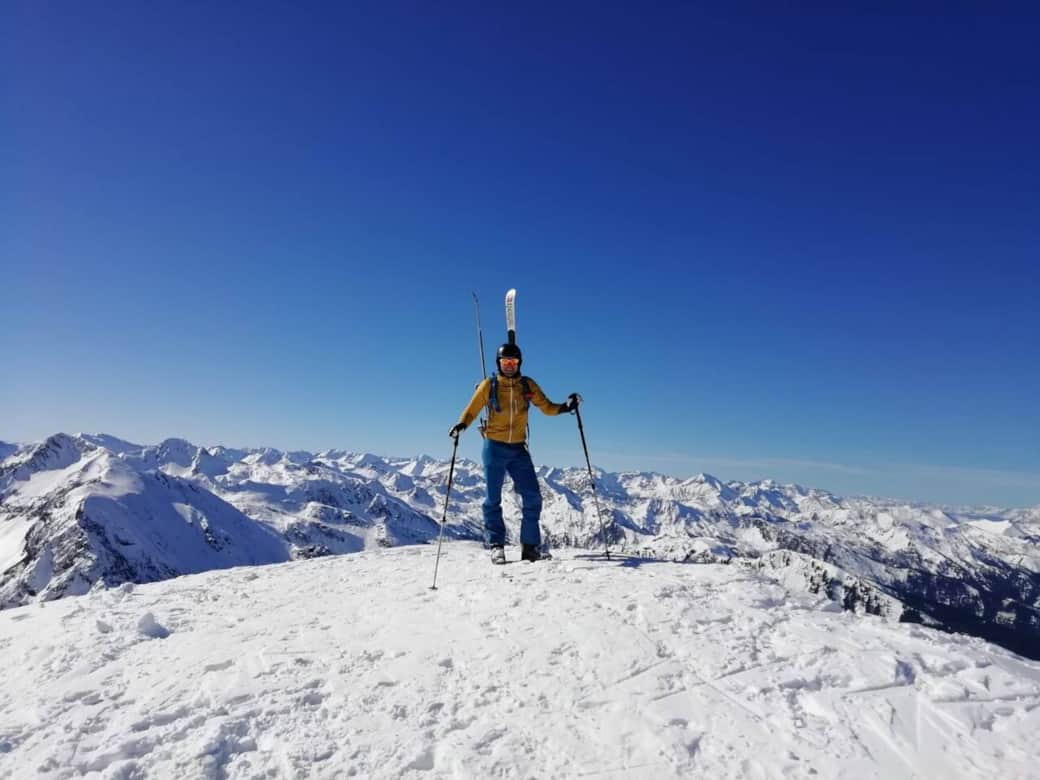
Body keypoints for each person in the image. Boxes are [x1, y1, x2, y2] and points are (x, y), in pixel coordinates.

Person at [449, 342, 580, 564]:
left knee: (533, 496)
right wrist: (461, 425)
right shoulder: (489, 385)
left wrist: (566, 407)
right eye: (505, 362)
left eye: (513, 361)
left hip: (518, 449)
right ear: (498, 363)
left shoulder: (527, 385)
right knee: (492, 498)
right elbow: (472, 410)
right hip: (494, 447)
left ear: (519, 363)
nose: (509, 365)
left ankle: (530, 548)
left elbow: (547, 407)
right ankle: (496, 546)